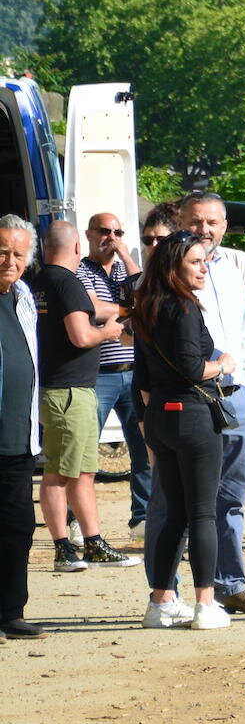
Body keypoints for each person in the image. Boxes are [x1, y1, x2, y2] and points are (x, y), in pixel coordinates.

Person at [162, 193, 245, 612]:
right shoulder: (165, 268)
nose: (204, 230)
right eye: (196, 222)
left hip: (238, 392)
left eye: (212, 222)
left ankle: (229, 585)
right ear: (180, 220)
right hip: (192, 397)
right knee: (176, 499)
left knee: (230, 496)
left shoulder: (238, 262)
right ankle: (167, 590)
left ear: (225, 225)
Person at [133, 231, 237, 630]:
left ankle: (161, 601)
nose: (203, 268)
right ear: (173, 265)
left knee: (173, 512)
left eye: (204, 261)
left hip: (159, 414)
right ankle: (205, 604)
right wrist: (224, 364)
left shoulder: (144, 307)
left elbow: (141, 378)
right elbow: (195, 368)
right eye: (195, 262)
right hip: (193, 415)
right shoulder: (184, 308)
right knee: (202, 513)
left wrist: (154, 421)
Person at [32, 221, 139, 572]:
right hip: (68, 390)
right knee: (59, 473)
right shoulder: (68, 282)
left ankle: (93, 542)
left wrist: (112, 315)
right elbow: (81, 336)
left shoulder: (40, 280)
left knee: (81, 472)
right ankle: (64, 548)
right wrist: (108, 332)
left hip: (61, 387)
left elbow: (95, 310)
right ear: (78, 247)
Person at [78, 211, 152, 536]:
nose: (110, 236)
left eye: (117, 231)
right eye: (104, 231)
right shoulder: (79, 270)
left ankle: (143, 517)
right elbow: (91, 308)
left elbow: (147, 296)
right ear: (90, 233)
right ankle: (76, 521)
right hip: (100, 373)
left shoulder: (125, 268)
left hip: (135, 371)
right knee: (84, 449)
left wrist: (126, 255)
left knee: (143, 448)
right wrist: (129, 308)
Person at [0, 216, 47, 639]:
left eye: (18, 253)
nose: (10, 261)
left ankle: (10, 611)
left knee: (18, 527)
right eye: (2, 251)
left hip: (19, 439)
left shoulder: (23, 295)